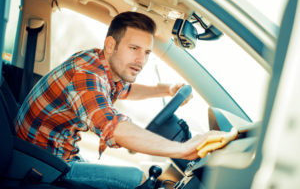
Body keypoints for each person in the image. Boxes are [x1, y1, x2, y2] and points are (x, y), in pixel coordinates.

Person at [15, 11, 224, 189]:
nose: (141, 60)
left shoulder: (101, 63)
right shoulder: (86, 75)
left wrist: (167, 90)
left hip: (51, 156)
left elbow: (126, 90)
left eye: (147, 52)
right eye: (134, 48)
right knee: (138, 178)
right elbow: (113, 127)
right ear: (110, 44)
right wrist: (181, 149)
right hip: (39, 166)